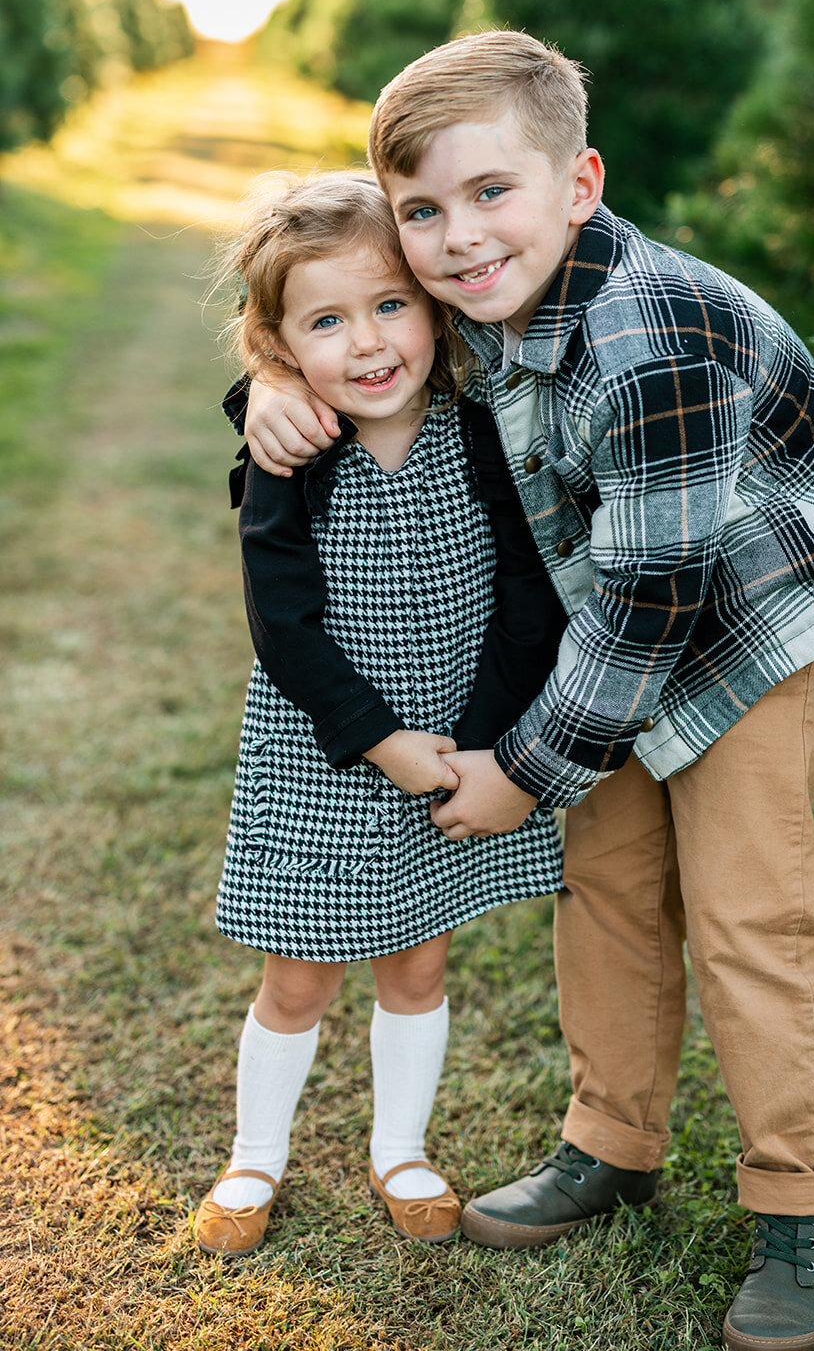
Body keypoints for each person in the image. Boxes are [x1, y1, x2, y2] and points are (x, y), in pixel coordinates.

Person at [242, 34, 814, 1351]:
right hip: (618, 620)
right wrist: (261, 395)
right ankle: (609, 1143)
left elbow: (660, 602)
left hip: (754, 622)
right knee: (603, 880)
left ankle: (794, 1211)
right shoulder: (483, 305)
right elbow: (366, 365)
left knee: (744, 913)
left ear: (578, 182)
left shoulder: (646, 338)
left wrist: (519, 768)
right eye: (423, 211)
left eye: (492, 194)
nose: (459, 239)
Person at [194, 170, 565, 1257]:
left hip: (454, 747)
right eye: (326, 321)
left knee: (416, 960)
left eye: (388, 304)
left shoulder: (478, 426)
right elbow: (284, 628)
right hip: (328, 752)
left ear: (433, 302)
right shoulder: (293, 453)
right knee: (297, 973)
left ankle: (400, 1151)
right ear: (276, 344)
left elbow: (525, 591)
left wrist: (483, 741)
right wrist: (376, 739)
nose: (366, 343)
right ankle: (253, 1158)